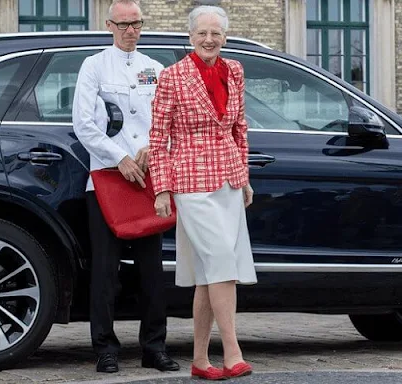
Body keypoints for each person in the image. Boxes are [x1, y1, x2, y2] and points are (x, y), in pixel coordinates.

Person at [148, 5, 257, 381]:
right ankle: (232, 352)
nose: (209, 40)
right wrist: (161, 188)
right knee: (222, 262)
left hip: (227, 179)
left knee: (210, 272)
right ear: (190, 37)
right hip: (191, 182)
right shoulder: (172, 76)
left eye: (216, 34)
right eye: (202, 34)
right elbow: (158, 137)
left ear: (224, 37)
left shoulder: (235, 71)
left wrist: (243, 177)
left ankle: (199, 359)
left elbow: (239, 127)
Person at [71, 0, 180, 374]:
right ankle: (105, 348)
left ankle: (155, 346)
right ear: (109, 25)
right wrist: (119, 158)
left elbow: (168, 121)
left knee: (152, 269)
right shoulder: (94, 66)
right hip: (107, 177)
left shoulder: (155, 68)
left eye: (137, 24)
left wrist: (153, 148)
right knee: (105, 270)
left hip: (149, 177)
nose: (131, 30)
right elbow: (84, 124)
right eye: (124, 24)